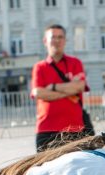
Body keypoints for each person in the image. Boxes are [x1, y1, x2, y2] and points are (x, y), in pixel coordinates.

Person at [31, 24, 90, 152]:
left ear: (65, 40)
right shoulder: (39, 67)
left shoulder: (75, 63)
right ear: (45, 41)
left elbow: (79, 86)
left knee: (77, 170)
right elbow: (39, 93)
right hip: (46, 130)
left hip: (74, 129)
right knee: (45, 170)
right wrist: (69, 90)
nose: (57, 41)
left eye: (60, 37)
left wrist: (52, 87)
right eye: (53, 37)